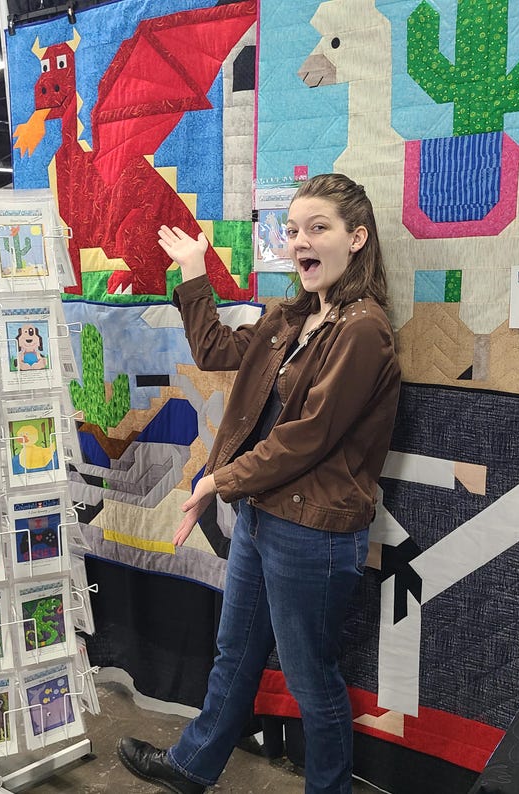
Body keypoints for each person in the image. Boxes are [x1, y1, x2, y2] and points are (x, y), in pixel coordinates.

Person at [117, 173, 402, 794]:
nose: (301, 241)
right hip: (261, 513)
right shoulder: (291, 316)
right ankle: (194, 767)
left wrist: (218, 479)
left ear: (357, 238)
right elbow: (217, 349)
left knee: (310, 679)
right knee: (235, 654)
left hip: (314, 531)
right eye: (294, 229)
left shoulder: (363, 329)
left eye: (317, 228)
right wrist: (194, 271)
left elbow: (307, 435)